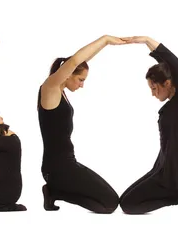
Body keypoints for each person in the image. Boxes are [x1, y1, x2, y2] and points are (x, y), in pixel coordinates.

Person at [37, 35, 125, 214]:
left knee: (111, 201)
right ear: (68, 74)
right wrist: (105, 40)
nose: (82, 85)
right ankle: (55, 192)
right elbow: (75, 60)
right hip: (57, 168)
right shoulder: (50, 89)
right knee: (109, 204)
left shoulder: (61, 92)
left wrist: (101, 49)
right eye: (81, 79)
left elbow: (79, 61)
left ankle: (55, 191)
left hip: (68, 164)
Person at [118, 36, 178, 216]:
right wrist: (146, 45)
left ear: (167, 83)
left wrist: (146, 39)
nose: (153, 94)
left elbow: (174, 63)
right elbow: (167, 64)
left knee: (129, 206)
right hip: (162, 167)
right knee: (124, 200)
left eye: (154, 88)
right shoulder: (174, 102)